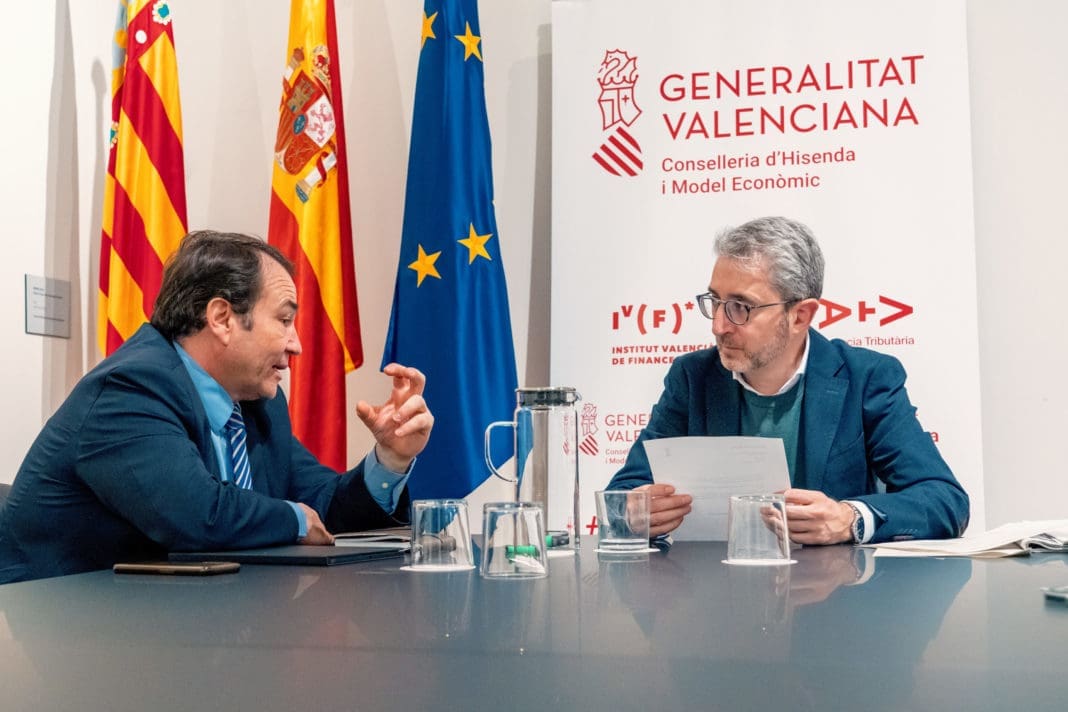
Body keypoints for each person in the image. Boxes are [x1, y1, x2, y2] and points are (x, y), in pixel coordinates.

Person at [0, 231, 433, 583]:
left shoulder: (258, 403)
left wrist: (390, 460)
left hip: (177, 627)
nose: (296, 344)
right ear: (222, 318)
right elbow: (196, 515)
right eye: (284, 320)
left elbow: (324, 505)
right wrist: (296, 520)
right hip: (58, 632)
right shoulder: (131, 389)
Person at [608, 216, 969, 544]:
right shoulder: (692, 378)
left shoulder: (866, 378)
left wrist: (849, 519)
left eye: (740, 308)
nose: (718, 325)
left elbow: (945, 500)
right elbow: (621, 495)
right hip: (715, 587)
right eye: (715, 302)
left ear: (800, 316)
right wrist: (634, 513)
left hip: (837, 590)